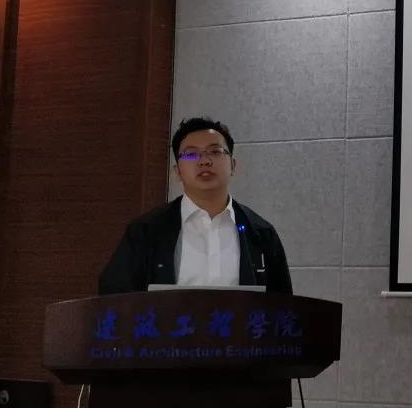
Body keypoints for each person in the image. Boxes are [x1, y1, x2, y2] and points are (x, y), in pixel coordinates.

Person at [98, 117, 293, 294]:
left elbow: (284, 308)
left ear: (233, 165)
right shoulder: (146, 231)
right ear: (178, 171)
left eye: (215, 151)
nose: (204, 161)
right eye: (191, 155)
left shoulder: (261, 233)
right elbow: (114, 300)